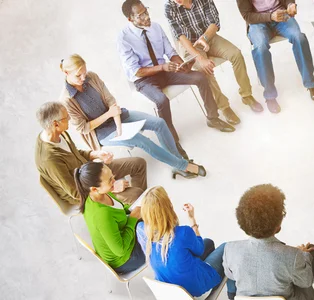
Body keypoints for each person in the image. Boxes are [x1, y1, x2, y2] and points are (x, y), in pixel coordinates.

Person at [59, 54, 205, 179]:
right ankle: (183, 165)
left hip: (118, 116)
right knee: (141, 140)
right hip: (101, 132)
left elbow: (110, 100)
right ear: (66, 73)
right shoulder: (67, 100)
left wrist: (117, 121)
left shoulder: (92, 77)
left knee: (159, 123)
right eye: (78, 75)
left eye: (84, 72)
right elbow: (83, 128)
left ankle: (176, 161)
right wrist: (110, 115)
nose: (83, 77)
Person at [118, 0, 235, 135]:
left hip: (165, 71)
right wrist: (162, 67)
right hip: (144, 80)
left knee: (200, 77)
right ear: (130, 19)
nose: (147, 16)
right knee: (161, 100)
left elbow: (171, 53)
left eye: (146, 11)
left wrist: (182, 65)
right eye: (141, 15)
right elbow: (136, 72)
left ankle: (213, 118)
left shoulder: (156, 27)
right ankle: (172, 138)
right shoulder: (123, 38)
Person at [35, 102, 147, 205]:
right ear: (56, 124)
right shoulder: (49, 159)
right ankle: (138, 208)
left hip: (90, 172)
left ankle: (138, 206)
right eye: (66, 117)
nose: (70, 118)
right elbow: (75, 192)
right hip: (86, 193)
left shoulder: (60, 134)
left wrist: (94, 154)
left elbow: (75, 154)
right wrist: (112, 187)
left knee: (138, 164)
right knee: (136, 194)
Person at [223, 184, 314, 300]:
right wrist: (303, 255)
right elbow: (306, 281)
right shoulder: (294, 255)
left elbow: (231, 275)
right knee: (313, 251)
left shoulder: (230, 249)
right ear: (278, 225)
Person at [165, 0, 262, 114]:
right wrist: (200, 58)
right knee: (204, 69)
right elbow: (180, 36)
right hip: (190, 46)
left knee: (236, 54)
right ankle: (224, 106)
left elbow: (214, 22)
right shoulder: (169, 6)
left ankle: (246, 95)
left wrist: (204, 38)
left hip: (208, 37)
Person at [136, 186, 234, 297]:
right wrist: (192, 220)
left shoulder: (141, 230)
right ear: (168, 207)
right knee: (228, 248)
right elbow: (200, 250)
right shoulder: (183, 233)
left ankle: (204, 268)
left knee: (208, 243)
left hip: (170, 293)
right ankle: (232, 294)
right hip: (196, 292)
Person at [237, 0, 314, 113]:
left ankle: (310, 83)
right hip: (258, 21)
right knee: (260, 48)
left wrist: (290, 4)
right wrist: (270, 16)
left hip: (281, 14)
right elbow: (247, 15)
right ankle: (270, 95)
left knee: (299, 37)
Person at [74, 162, 146, 274]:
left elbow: (118, 209)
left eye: (112, 176)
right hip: (126, 258)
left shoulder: (98, 194)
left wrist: (131, 209)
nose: (114, 180)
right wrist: (133, 219)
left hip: (123, 236)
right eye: (110, 180)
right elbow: (120, 250)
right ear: (94, 189)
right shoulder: (102, 215)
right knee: (162, 231)